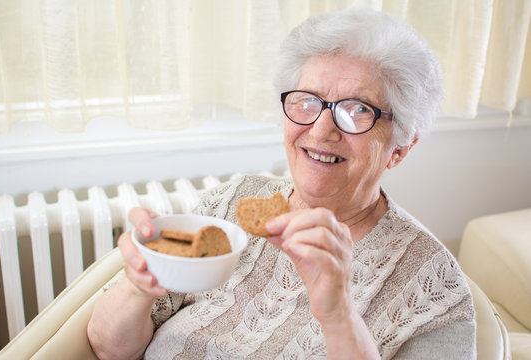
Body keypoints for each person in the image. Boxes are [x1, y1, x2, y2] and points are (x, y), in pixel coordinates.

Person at [87, 8, 475, 359]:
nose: (321, 130)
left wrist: (339, 316)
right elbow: (109, 348)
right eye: (307, 100)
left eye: (358, 109)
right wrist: (141, 283)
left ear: (400, 148)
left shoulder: (435, 289)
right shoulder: (230, 203)